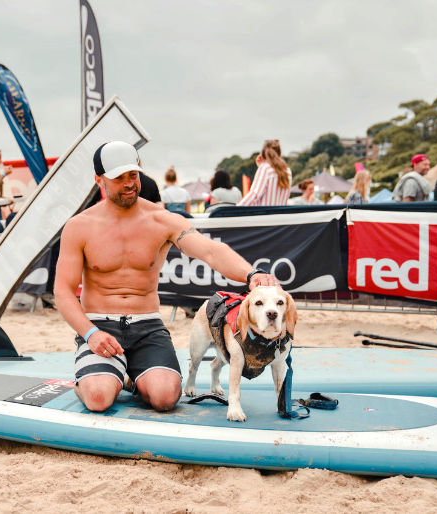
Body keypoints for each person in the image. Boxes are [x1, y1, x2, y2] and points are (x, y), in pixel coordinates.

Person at [54, 141, 278, 413]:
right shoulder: (79, 226)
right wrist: (90, 334)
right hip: (100, 325)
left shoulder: (161, 220)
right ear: (99, 180)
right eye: (118, 178)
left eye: (133, 175)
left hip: (147, 326)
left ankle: (130, 377)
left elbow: (210, 251)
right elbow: (63, 292)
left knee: (166, 397)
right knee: (98, 399)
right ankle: (101, 377)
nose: (128, 184)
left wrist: (251, 274)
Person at [237, 139, 292, 206]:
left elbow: (254, 194)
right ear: (279, 154)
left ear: (263, 155)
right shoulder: (287, 171)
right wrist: (260, 167)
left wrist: (237, 207)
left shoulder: (265, 168)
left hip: (264, 214)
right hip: (280, 215)